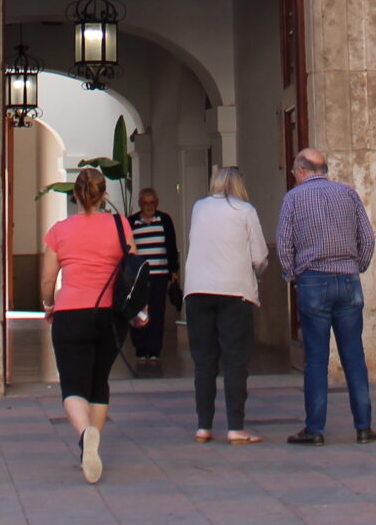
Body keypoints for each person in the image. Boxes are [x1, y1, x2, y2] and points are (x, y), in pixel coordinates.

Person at [41, 164, 139, 483]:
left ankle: (86, 436)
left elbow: (47, 279)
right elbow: (135, 268)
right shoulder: (120, 225)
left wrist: (48, 305)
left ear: (76, 195)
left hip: (71, 313)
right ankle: (91, 444)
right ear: (103, 194)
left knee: (72, 385)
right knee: (99, 381)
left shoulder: (59, 231)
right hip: (110, 315)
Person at [276, 145, 376, 445]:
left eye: (294, 172)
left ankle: (315, 429)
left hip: (313, 281)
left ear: (302, 170)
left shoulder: (293, 198)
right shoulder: (348, 194)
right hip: (348, 280)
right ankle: (363, 427)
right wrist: (356, 266)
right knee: (354, 356)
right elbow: (367, 238)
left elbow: (284, 244)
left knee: (317, 359)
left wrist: (293, 276)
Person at [181, 164, 270, 444]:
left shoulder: (199, 207)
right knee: (235, 361)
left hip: (198, 290)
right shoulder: (245, 211)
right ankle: (235, 426)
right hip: (234, 292)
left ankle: (203, 426)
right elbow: (259, 256)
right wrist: (257, 271)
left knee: (204, 361)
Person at [127, 187, 181, 372]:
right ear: (140, 204)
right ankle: (140, 348)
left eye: (152, 203)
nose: (149, 206)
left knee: (157, 313)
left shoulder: (164, 220)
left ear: (156, 204)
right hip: (139, 277)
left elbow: (171, 246)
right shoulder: (132, 222)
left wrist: (174, 270)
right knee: (138, 312)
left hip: (159, 275)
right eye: (145, 203)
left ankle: (154, 350)